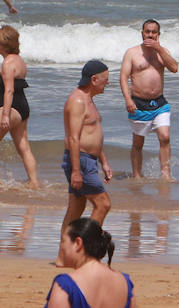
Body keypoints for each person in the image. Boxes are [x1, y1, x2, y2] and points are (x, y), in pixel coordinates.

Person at [59, 60, 113, 254]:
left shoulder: (89, 100)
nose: (108, 83)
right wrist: (75, 171)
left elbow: (94, 135)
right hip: (79, 161)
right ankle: (85, 253)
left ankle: (64, 256)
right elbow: (73, 138)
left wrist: (104, 162)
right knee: (103, 204)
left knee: (75, 209)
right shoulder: (78, 101)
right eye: (105, 79)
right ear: (94, 79)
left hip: (88, 160)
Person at [0, 25, 39, 187]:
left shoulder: (8, 63)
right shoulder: (20, 61)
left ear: (3, 44)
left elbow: (9, 90)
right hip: (22, 107)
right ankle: (34, 181)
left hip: (10, 109)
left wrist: (4, 114)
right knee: (23, 147)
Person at [119, 19, 179, 180]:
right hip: (138, 104)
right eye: (147, 31)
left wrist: (159, 49)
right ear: (142, 33)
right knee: (138, 143)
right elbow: (123, 78)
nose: (150, 35)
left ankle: (165, 174)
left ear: (158, 34)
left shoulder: (162, 51)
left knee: (165, 137)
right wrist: (127, 100)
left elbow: (174, 68)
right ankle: (137, 176)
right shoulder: (132, 53)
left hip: (160, 103)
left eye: (154, 32)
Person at [46, 217, 137, 308]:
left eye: (63, 241)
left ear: (78, 243)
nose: (62, 247)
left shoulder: (65, 285)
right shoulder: (125, 283)